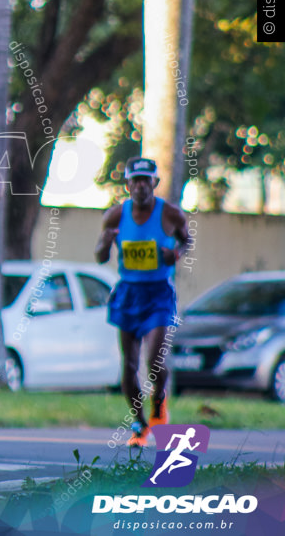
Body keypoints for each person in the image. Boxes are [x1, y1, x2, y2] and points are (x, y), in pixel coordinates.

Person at [95, 157, 190, 447]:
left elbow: (186, 240)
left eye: (145, 181)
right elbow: (100, 256)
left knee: (154, 360)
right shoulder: (114, 216)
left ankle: (159, 403)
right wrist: (104, 243)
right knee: (129, 365)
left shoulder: (170, 214)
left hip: (159, 292)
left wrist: (176, 253)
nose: (140, 186)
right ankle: (139, 422)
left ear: (155, 184)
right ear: (127, 184)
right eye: (134, 181)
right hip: (128, 293)